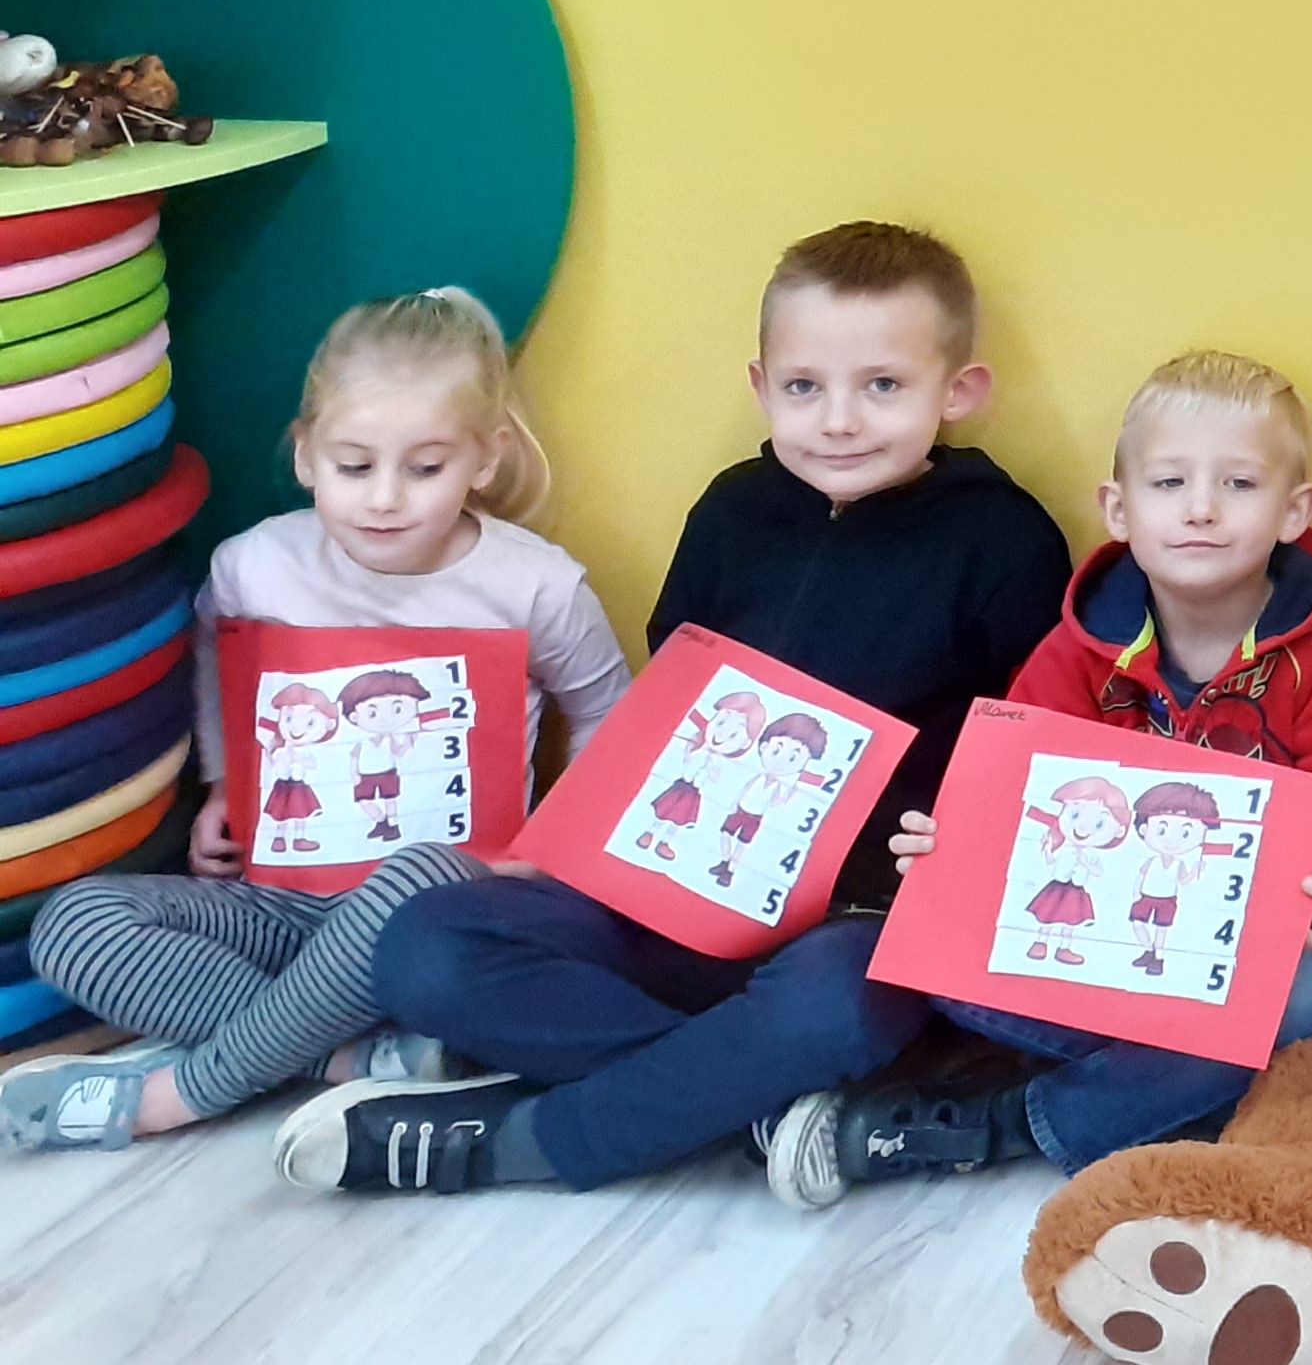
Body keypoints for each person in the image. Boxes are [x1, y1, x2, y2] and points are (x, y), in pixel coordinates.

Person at [288, 220, 1070, 1194]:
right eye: (804, 387)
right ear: (761, 387)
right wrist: (577, 843)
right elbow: (672, 700)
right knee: (424, 944)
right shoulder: (733, 511)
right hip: (677, 892)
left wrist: (948, 845)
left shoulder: (1004, 540)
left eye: (882, 386)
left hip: (856, 918)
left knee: (832, 1011)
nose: (838, 420)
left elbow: (1032, 755)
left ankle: (525, 1141)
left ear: (959, 392)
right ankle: (741, 1096)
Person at [3, 291, 626, 1152]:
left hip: (435, 920)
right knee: (73, 924)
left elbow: (606, 715)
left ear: (486, 458)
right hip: (283, 909)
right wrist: (224, 783)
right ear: (306, 454)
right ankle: (347, 1060)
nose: (385, 498)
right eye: (354, 465)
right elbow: (217, 658)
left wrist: (554, 857)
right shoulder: (256, 565)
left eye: (425, 468)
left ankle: (185, 1093)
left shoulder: (536, 585)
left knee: (417, 873)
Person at [765, 348, 1312, 1204]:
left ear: (1294, 512)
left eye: (1240, 485)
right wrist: (951, 852)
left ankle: (999, 1123)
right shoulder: (1078, 644)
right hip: (1092, 941)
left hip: (1230, 958)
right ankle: (1166, 1092)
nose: (1201, 509)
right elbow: (1008, 791)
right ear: (1119, 510)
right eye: (1168, 483)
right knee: (921, 942)